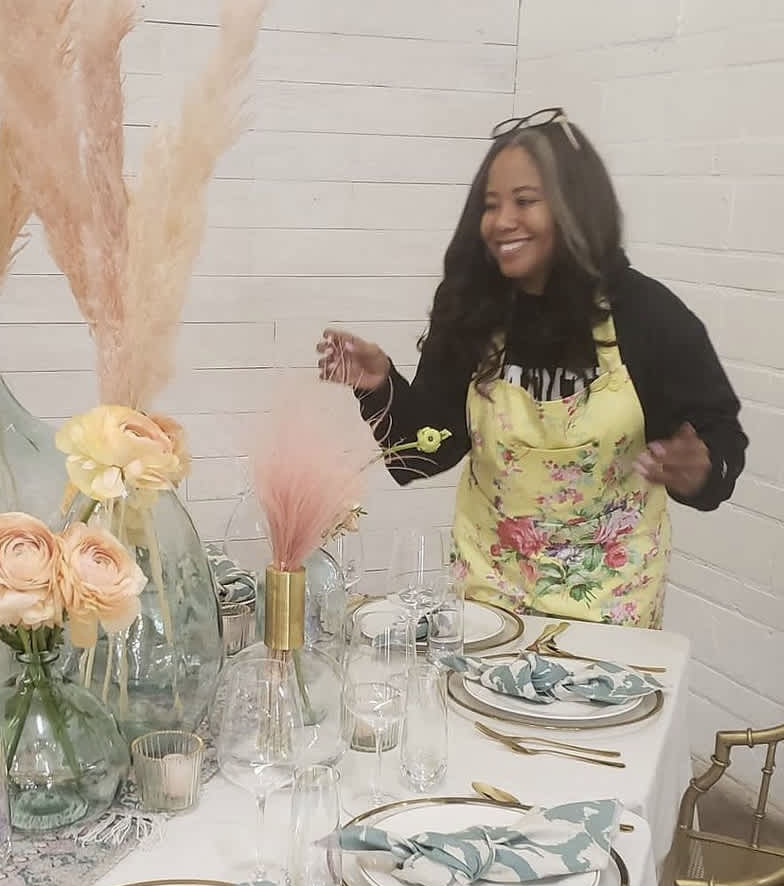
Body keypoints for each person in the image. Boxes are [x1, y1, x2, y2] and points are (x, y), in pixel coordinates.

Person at [318, 108, 747, 628]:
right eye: (491, 204)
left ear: (575, 206)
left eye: (524, 201)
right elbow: (426, 454)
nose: (502, 221)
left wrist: (701, 469)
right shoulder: (472, 310)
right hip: (487, 600)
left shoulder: (648, 317)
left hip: (613, 607)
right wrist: (380, 386)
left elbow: (722, 442)